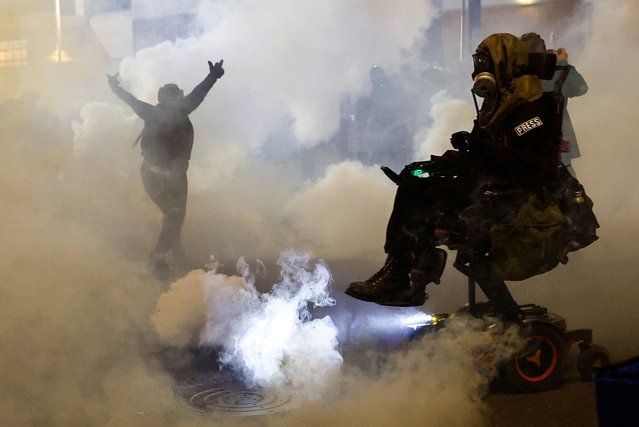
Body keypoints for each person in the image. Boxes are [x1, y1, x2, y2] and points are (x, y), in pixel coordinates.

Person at [346, 33, 566, 322]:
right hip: (490, 185)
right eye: (478, 62)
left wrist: (476, 146)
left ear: (505, 63)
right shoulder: (497, 104)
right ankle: (408, 270)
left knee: (421, 189)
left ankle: (402, 275)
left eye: (484, 61)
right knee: (417, 176)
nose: (478, 69)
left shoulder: (536, 105)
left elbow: (529, 165)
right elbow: (478, 154)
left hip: (515, 196)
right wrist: (438, 163)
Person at [107, 59, 225, 277]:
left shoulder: (152, 111)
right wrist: (213, 75)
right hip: (161, 174)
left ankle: (175, 255)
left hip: (166, 174)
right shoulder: (177, 110)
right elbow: (199, 92)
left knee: (174, 216)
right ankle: (157, 258)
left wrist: (116, 88)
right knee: (174, 215)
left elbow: (129, 99)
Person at [520, 32, 588, 177]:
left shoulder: (517, 75)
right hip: (557, 138)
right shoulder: (556, 71)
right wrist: (562, 63)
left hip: (525, 141)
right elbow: (581, 88)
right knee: (566, 181)